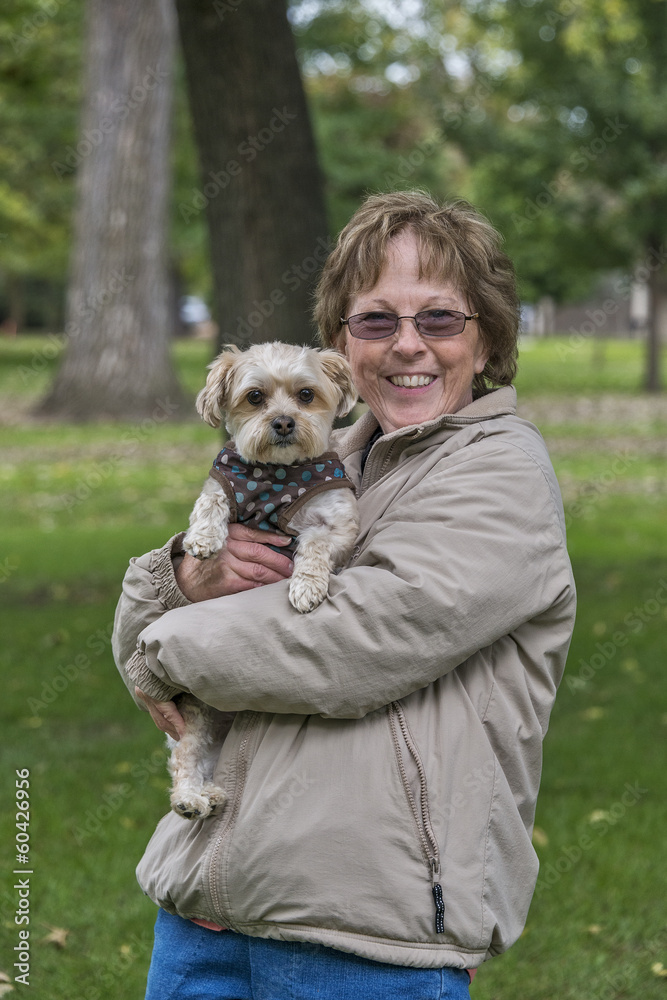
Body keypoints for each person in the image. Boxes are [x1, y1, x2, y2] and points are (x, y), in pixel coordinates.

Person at [113, 190, 576, 1000]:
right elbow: (146, 626)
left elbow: (347, 646)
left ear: (489, 336)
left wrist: (160, 648)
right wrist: (185, 576)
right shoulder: (313, 463)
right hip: (206, 911)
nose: (407, 346)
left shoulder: (500, 474)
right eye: (375, 321)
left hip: (365, 933)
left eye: (439, 319)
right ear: (338, 344)